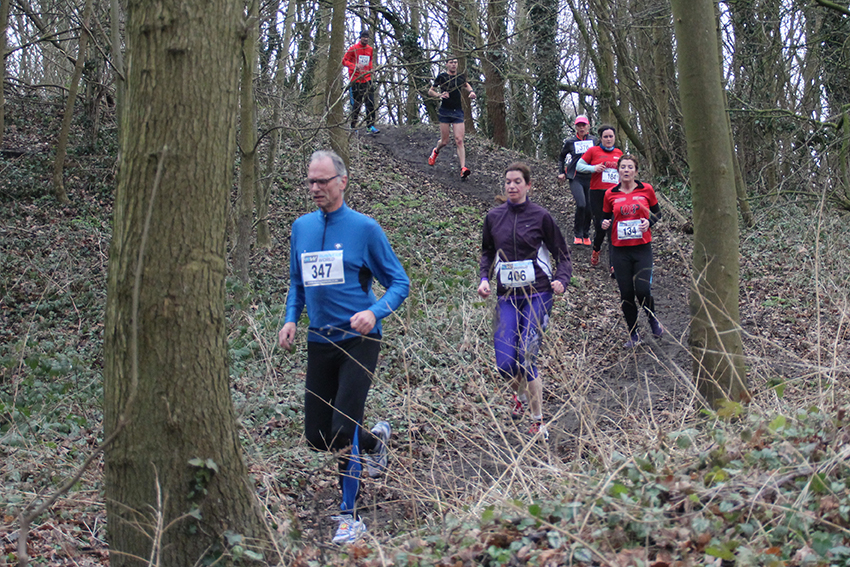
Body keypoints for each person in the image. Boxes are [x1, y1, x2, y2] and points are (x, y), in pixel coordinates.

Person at [278, 150, 409, 543]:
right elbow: (297, 283)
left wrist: (374, 311)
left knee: (343, 427)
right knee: (318, 435)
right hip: (320, 340)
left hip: (359, 340)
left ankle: (349, 517)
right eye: (311, 181)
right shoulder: (301, 228)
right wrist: (290, 318)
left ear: (342, 181)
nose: (315, 188)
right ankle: (375, 442)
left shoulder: (364, 229)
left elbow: (399, 282)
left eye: (323, 181)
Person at [477, 162, 571, 441]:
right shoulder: (494, 217)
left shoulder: (541, 217)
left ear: (528, 185)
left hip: (538, 294)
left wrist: (561, 280)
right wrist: (484, 278)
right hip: (507, 296)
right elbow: (487, 251)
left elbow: (562, 253)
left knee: (527, 356)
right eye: (508, 182)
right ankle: (518, 396)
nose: (512, 186)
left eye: (517, 181)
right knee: (506, 363)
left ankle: (537, 421)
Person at [600, 155, 664, 347]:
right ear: (618, 170)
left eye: (630, 167)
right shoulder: (610, 193)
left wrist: (649, 222)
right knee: (626, 294)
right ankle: (634, 334)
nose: (626, 170)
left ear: (636, 171)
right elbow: (605, 217)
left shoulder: (646, 189)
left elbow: (658, 213)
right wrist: (604, 223)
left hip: (642, 248)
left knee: (643, 290)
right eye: (623, 167)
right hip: (620, 251)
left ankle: (652, 320)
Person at [576, 124, 623, 273]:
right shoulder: (593, 151)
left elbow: (624, 172)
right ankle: (596, 249)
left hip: (615, 194)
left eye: (611, 136)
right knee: (601, 226)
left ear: (614, 138)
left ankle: (614, 264)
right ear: (601, 138)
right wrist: (594, 168)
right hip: (597, 194)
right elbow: (579, 166)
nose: (608, 139)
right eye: (605, 137)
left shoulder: (619, 153)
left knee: (613, 227)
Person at [427, 57, 477, 179]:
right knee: (445, 141)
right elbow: (430, 91)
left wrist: (471, 92)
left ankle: (463, 168)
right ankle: (436, 151)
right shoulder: (442, 77)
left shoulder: (460, 77)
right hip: (445, 111)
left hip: (457, 111)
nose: (454, 64)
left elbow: (466, 84)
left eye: (455, 62)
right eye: (451, 63)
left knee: (459, 140)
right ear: (447, 64)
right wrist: (439, 95)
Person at [558, 115, 597, 246]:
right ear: (575, 127)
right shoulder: (570, 142)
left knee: (589, 208)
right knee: (581, 204)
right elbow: (561, 157)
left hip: (591, 177)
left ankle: (586, 234)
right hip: (575, 177)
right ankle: (577, 233)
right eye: (579, 125)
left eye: (583, 125)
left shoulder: (594, 140)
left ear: (588, 126)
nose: (581, 128)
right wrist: (561, 172)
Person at [342, 31, 379, 133]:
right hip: (356, 80)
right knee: (357, 104)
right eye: (364, 37)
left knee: (370, 102)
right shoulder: (353, 48)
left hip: (367, 79)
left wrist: (371, 69)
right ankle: (353, 126)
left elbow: (369, 61)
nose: (365, 39)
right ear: (360, 37)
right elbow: (344, 61)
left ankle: (370, 126)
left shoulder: (370, 49)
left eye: (367, 37)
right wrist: (355, 66)